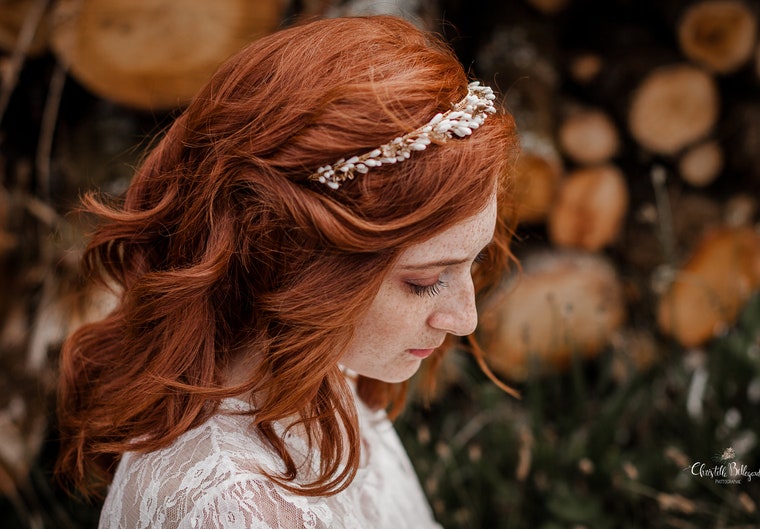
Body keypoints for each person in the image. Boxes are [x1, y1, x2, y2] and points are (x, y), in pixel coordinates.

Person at [55, 15, 517, 529]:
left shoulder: (322, 374)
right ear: (289, 257)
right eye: (425, 280)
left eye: (472, 262)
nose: (466, 318)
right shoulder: (234, 509)